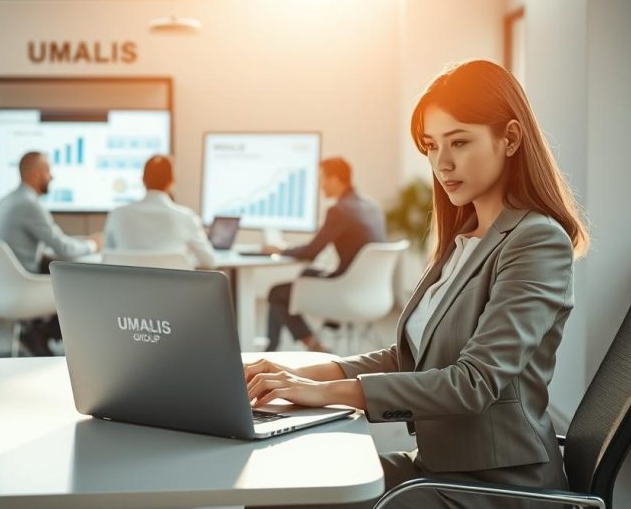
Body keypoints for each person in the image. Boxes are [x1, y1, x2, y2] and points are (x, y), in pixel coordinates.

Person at [244, 60, 589, 509]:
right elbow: (406, 356)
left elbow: (473, 383)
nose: (441, 164)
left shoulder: (536, 240)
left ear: (510, 138)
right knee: (277, 482)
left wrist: (324, 394)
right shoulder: (464, 238)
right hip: (439, 465)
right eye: (431, 146)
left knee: (285, 498)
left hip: (498, 484)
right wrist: (289, 378)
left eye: (459, 142)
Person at [262, 157, 386, 352]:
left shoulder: (339, 210)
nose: (321, 185)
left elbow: (311, 251)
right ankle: (328, 325)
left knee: (276, 293)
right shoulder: (372, 206)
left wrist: (280, 249)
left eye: (323, 179)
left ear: (335, 179)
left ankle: (312, 347)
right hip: (374, 292)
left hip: (346, 291)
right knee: (307, 274)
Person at [0, 151, 102, 355]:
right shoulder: (29, 204)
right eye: (48, 171)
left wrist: (76, 242)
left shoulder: (8, 200)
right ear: (35, 175)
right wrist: (93, 244)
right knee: (85, 285)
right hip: (22, 288)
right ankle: (40, 334)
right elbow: (63, 249)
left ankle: (37, 335)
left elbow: (46, 245)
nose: (52, 177)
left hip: (1, 286)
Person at [103, 155, 217, 269]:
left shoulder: (117, 215)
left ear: (143, 180)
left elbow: (107, 259)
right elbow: (210, 261)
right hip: (174, 286)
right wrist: (185, 261)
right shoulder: (186, 217)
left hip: (128, 286)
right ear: (172, 181)